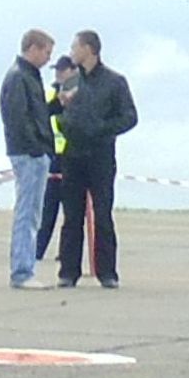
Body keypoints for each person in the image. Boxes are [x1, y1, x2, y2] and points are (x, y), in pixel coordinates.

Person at [55, 29, 139, 290]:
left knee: (102, 214)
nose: (71, 52)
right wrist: (65, 123)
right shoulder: (70, 81)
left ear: (89, 49)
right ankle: (68, 272)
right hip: (73, 155)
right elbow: (57, 112)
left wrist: (101, 128)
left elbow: (129, 117)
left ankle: (107, 272)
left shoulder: (115, 82)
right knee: (72, 216)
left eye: (75, 47)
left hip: (101, 155)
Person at [0, 29, 57, 289]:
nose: (47, 58)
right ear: (33, 48)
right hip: (28, 154)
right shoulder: (19, 77)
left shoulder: (29, 77)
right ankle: (22, 271)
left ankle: (25, 267)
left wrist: (58, 105)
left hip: (33, 152)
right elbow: (19, 119)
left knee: (32, 212)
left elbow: (38, 112)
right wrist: (37, 148)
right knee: (27, 213)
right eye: (46, 52)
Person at [35, 55, 76, 261]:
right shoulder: (49, 93)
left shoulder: (80, 92)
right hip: (52, 156)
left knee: (71, 209)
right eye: (57, 70)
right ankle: (38, 251)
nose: (58, 74)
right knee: (47, 207)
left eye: (63, 70)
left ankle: (66, 253)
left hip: (73, 155)